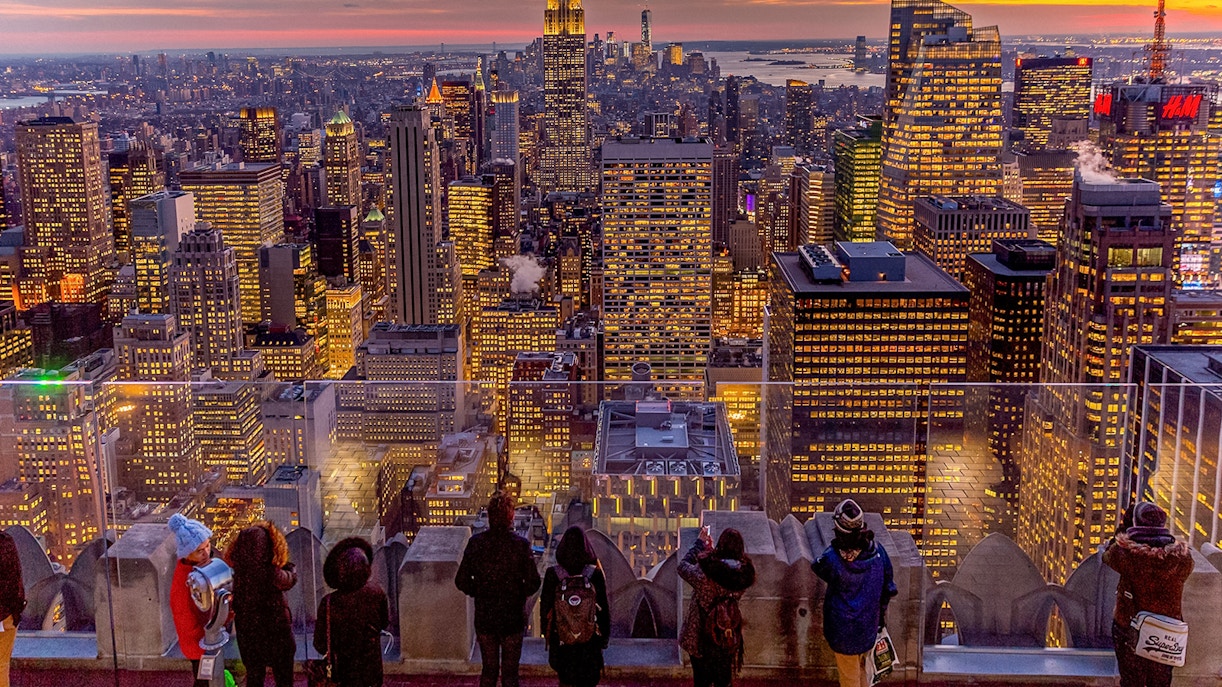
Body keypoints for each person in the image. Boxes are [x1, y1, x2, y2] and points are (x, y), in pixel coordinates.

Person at [455, 492, 542, 687]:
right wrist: (518, 593)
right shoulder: (520, 546)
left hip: (486, 616)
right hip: (512, 617)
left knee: (489, 670)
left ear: (489, 516)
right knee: (510, 673)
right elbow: (534, 583)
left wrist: (479, 591)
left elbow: (461, 580)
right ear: (511, 517)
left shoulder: (477, 543)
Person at [1102, 501, 1194, 687]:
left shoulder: (1126, 555)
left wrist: (1124, 529)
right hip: (1167, 631)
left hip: (1129, 627)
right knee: (1161, 682)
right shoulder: (1182, 559)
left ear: (1136, 523)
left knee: (1131, 681)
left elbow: (1108, 555)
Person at [812, 499, 897, 687]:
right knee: (862, 671)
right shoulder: (879, 553)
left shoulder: (832, 559)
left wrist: (835, 547)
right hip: (869, 625)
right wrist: (879, 615)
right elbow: (889, 588)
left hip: (843, 630)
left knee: (849, 677)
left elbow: (817, 566)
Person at [678, 526, 756, 687]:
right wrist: (711, 552)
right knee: (723, 679)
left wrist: (700, 544)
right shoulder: (742, 575)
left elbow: (683, 566)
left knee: (702, 680)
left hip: (700, 635)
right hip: (726, 634)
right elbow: (725, 571)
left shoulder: (704, 573)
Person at [224, 521, 298, 687]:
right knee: (284, 678)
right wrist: (288, 566)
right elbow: (290, 579)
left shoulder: (239, 572)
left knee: (254, 676)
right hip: (278, 633)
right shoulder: (271, 573)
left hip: (249, 635)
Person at [540, 527, 610, 687]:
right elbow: (604, 610)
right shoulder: (594, 574)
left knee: (566, 681)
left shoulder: (553, 574)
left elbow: (545, 609)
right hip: (589, 644)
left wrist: (548, 636)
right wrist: (604, 639)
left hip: (562, 643)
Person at [314, 537, 389, 687]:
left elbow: (320, 644)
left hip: (342, 674)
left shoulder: (328, 602)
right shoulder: (377, 593)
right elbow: (384, 623)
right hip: (371, 672)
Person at [168, 513, 216, 687]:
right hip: (199, 643)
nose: (206, 553)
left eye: (208, 546)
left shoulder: (197, 568)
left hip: (205, 638)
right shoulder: (185, 580)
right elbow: (183, 615)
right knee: (204, 681)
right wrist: (205, 636)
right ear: (187, 554)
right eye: (199, 551)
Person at [0, 529, 26, 687]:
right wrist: (15, 613)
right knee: (1, 666)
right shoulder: (4, 542)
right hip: (4, 617)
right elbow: (15, 580)